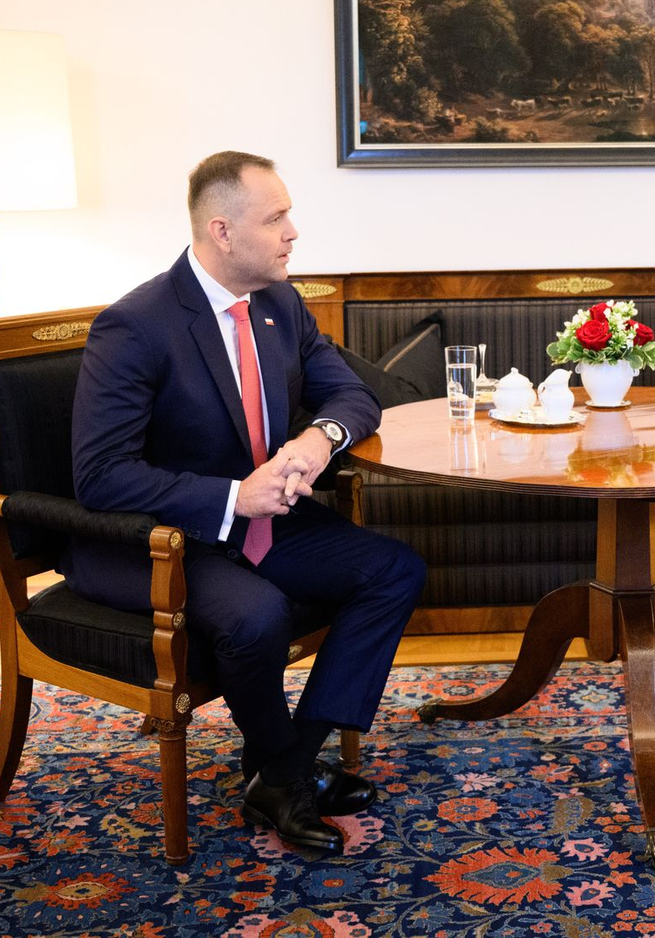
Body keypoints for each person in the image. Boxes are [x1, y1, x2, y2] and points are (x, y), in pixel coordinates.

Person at [66, 150, 426, 857]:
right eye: (277, 216)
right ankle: (286, 771)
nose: (294, 231)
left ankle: (284, 767)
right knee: (257, 615)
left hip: (261, 524)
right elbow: (100, 475)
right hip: (163, 538)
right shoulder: (136, 325)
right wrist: (233, 494)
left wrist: (319, 440)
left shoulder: (282, 304)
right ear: (223, 231)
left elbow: (355, 395)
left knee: (394, 570)